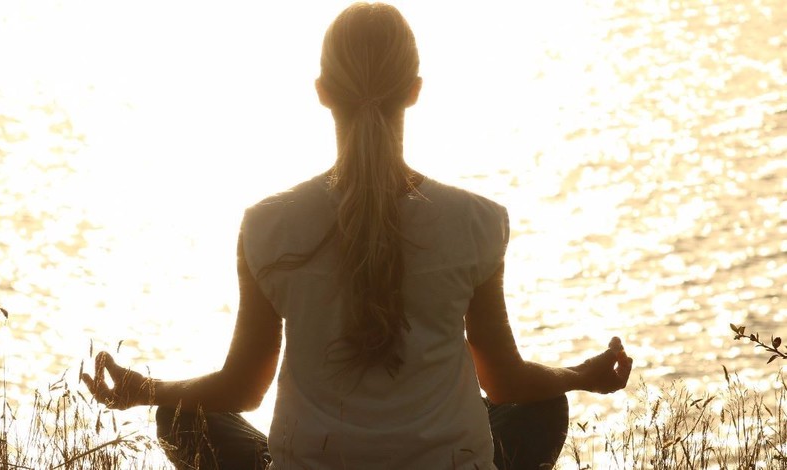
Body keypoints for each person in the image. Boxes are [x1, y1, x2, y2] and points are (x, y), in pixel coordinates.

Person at [81, 3, 633, 469]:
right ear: (414, 91)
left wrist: (145, 391)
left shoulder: (267, 224)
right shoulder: (477, 221)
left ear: (322, 92)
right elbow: (505, 381)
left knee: (178, 415)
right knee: (545, 404)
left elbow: (243, 389)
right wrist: (580, 375)